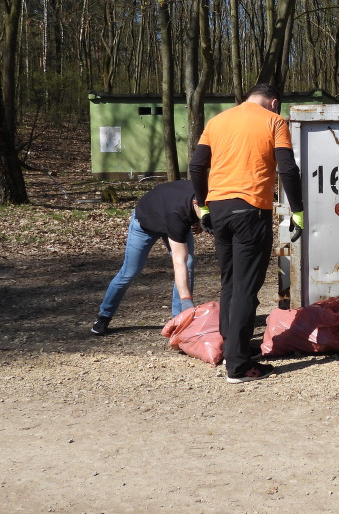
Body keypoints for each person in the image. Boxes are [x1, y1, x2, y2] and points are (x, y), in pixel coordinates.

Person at [189, 82, 304, 384]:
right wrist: (298, 210)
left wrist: (203, 206)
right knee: (245, 286)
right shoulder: (274, 121)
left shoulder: (217, 121)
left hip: (219, 209)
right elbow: (288, 169)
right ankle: (238, 366)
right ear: (273, 102)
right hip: (251, 208)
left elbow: (197, 166)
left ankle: (233, 348)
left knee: (229, 281)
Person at [92, 179, 201, 336]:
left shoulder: (204, 190)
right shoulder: (177, 214)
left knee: (189, 265)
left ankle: (179, 322)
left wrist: (198, 219)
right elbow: (179, 261)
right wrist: (187, 300)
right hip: (145, 223)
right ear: (196, 203)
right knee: (130, 271)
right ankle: (104, 316)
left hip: (172, 214)